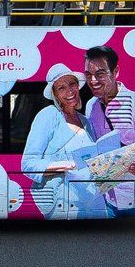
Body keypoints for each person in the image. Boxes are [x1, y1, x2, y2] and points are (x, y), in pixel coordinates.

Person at [81, 45, 135, 216]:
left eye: (100, 74)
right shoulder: (91, 105)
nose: (92, 81)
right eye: (88, 75)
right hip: (106, 196)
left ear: (115, 72)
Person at [18, 68, 103, 219]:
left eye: (72, 84)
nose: (69, 91)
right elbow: (28, 164)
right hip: (62, 200)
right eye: (61, 88)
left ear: (78, 86)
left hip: (90, 199)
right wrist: (67, 165)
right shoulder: (49, 115)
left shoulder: (85, 121)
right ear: (55, 94)